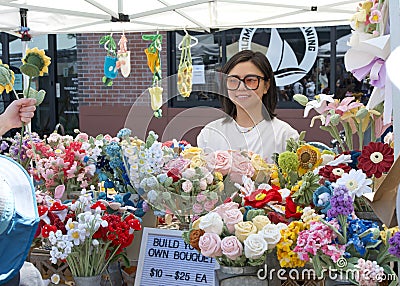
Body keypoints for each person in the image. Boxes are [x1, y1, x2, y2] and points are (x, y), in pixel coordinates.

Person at [197, 50, 299, 161]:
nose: (241, 87)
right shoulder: (210, 133)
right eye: (233, 80)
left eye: (250, 80)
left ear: (266, 85)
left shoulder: (285, 135)